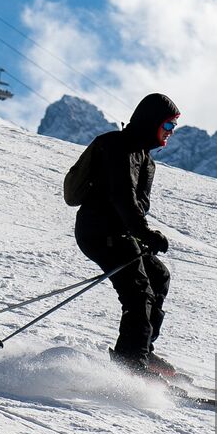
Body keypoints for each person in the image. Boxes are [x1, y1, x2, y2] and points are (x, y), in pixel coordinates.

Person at [74, 92, 181, 376]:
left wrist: (141, 235)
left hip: (119, 232)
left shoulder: (143, 156)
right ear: (152, 122)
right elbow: (123, 199)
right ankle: (130, 363)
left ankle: (143, 350)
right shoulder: (121, 149)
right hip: (99, 231)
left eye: (173, 128)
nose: (170, 133)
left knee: (158, 276)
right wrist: (146, 234)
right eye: (167, 126)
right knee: (138, 292)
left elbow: (133, 205)